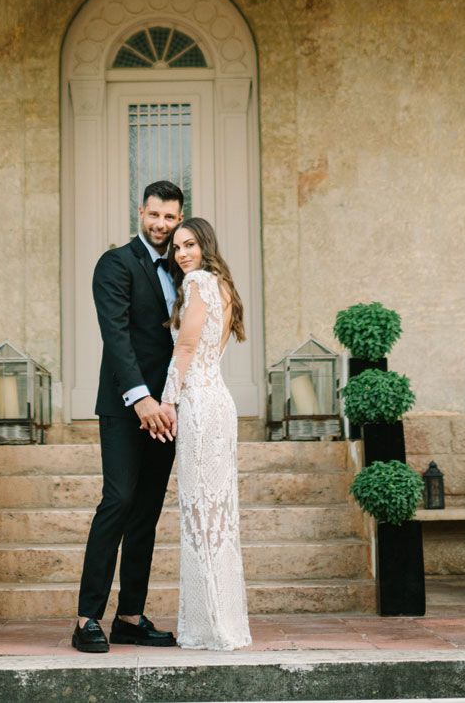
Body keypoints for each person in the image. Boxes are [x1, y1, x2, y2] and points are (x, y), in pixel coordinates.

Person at [72, 180, 184, 653]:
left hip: (169, 410)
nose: (161, 225)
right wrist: (141, 399)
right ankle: (86, 620)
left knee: (147, 513)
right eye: (155, 215)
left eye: (170, 218)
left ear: (180, 218)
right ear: (141, 212)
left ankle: (131, 617)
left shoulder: (184, 267)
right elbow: (115, 335)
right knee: (117, 501)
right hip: (127, 407)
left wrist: (171, 401)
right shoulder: (115, 263)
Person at [158, 217, 251, 651]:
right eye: (177, 248)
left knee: (200, 515)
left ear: (205, 245)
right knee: (217, 515)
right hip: (221, 403)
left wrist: (165, 401)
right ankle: (223, 620)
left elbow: (187, 347)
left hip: (198, 405)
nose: (182, 254)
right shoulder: (224, 286)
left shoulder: (197, 283)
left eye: (190, 244)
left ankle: (210, 624)